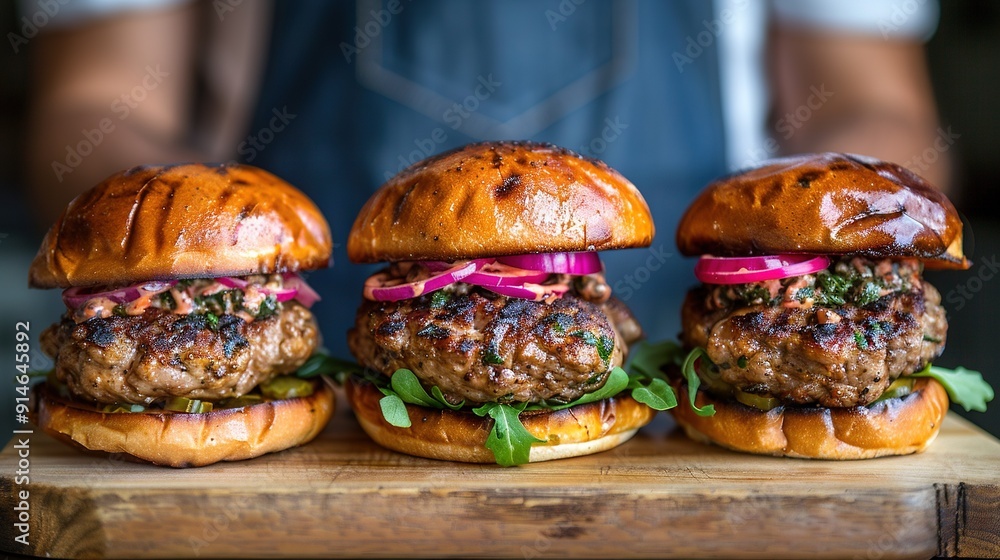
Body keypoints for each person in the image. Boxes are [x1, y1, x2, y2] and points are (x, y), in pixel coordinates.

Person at [22, 0, 947, 357]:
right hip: (307, 361)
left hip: (686, 363)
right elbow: (101, 92)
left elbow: (868, 98)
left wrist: (813, 306)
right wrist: (177, 281)